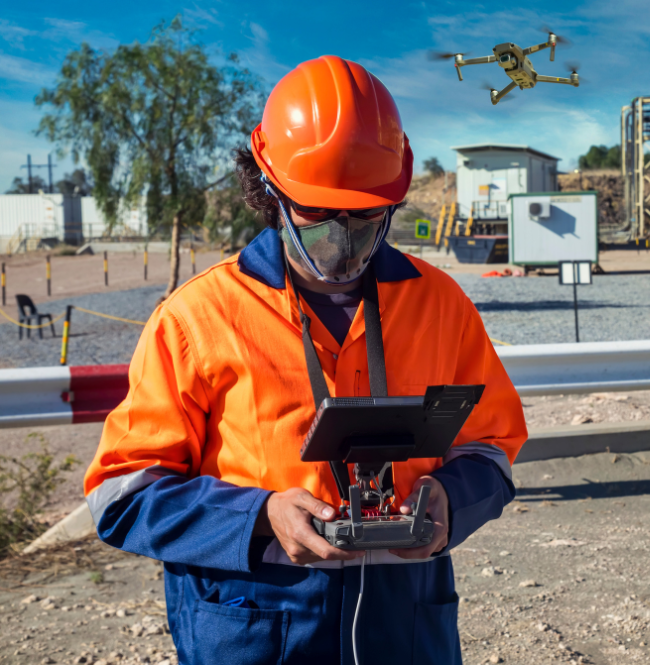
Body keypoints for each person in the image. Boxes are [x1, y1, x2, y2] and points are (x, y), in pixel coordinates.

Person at [84, 55, 527, 664]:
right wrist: (260, 515)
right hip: (258, 624)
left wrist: (452, 498)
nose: (343, 231)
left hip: (405, 624)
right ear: (270, 190)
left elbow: (492, 450)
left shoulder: (439, 305)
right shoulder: (199, 317)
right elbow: (122, 494)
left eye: (366, 212)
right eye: (318, 210)